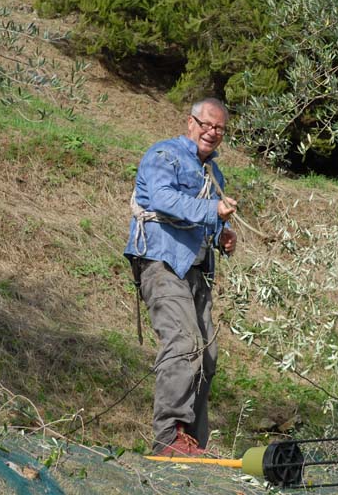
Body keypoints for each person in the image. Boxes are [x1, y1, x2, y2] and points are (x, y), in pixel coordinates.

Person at [124, 98, 238, 456]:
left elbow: (209, 217)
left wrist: (223, 232)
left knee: (208, 354)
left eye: (219, 128)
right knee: (185, 344)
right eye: (206, 124)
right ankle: (168, 439)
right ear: (190, 122)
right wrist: (211, 211)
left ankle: (191, 442)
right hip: (160, 262)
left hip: (195, 269)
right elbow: (161, 199)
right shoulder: (164, 156)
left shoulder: (213, 174)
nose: (212, 132)